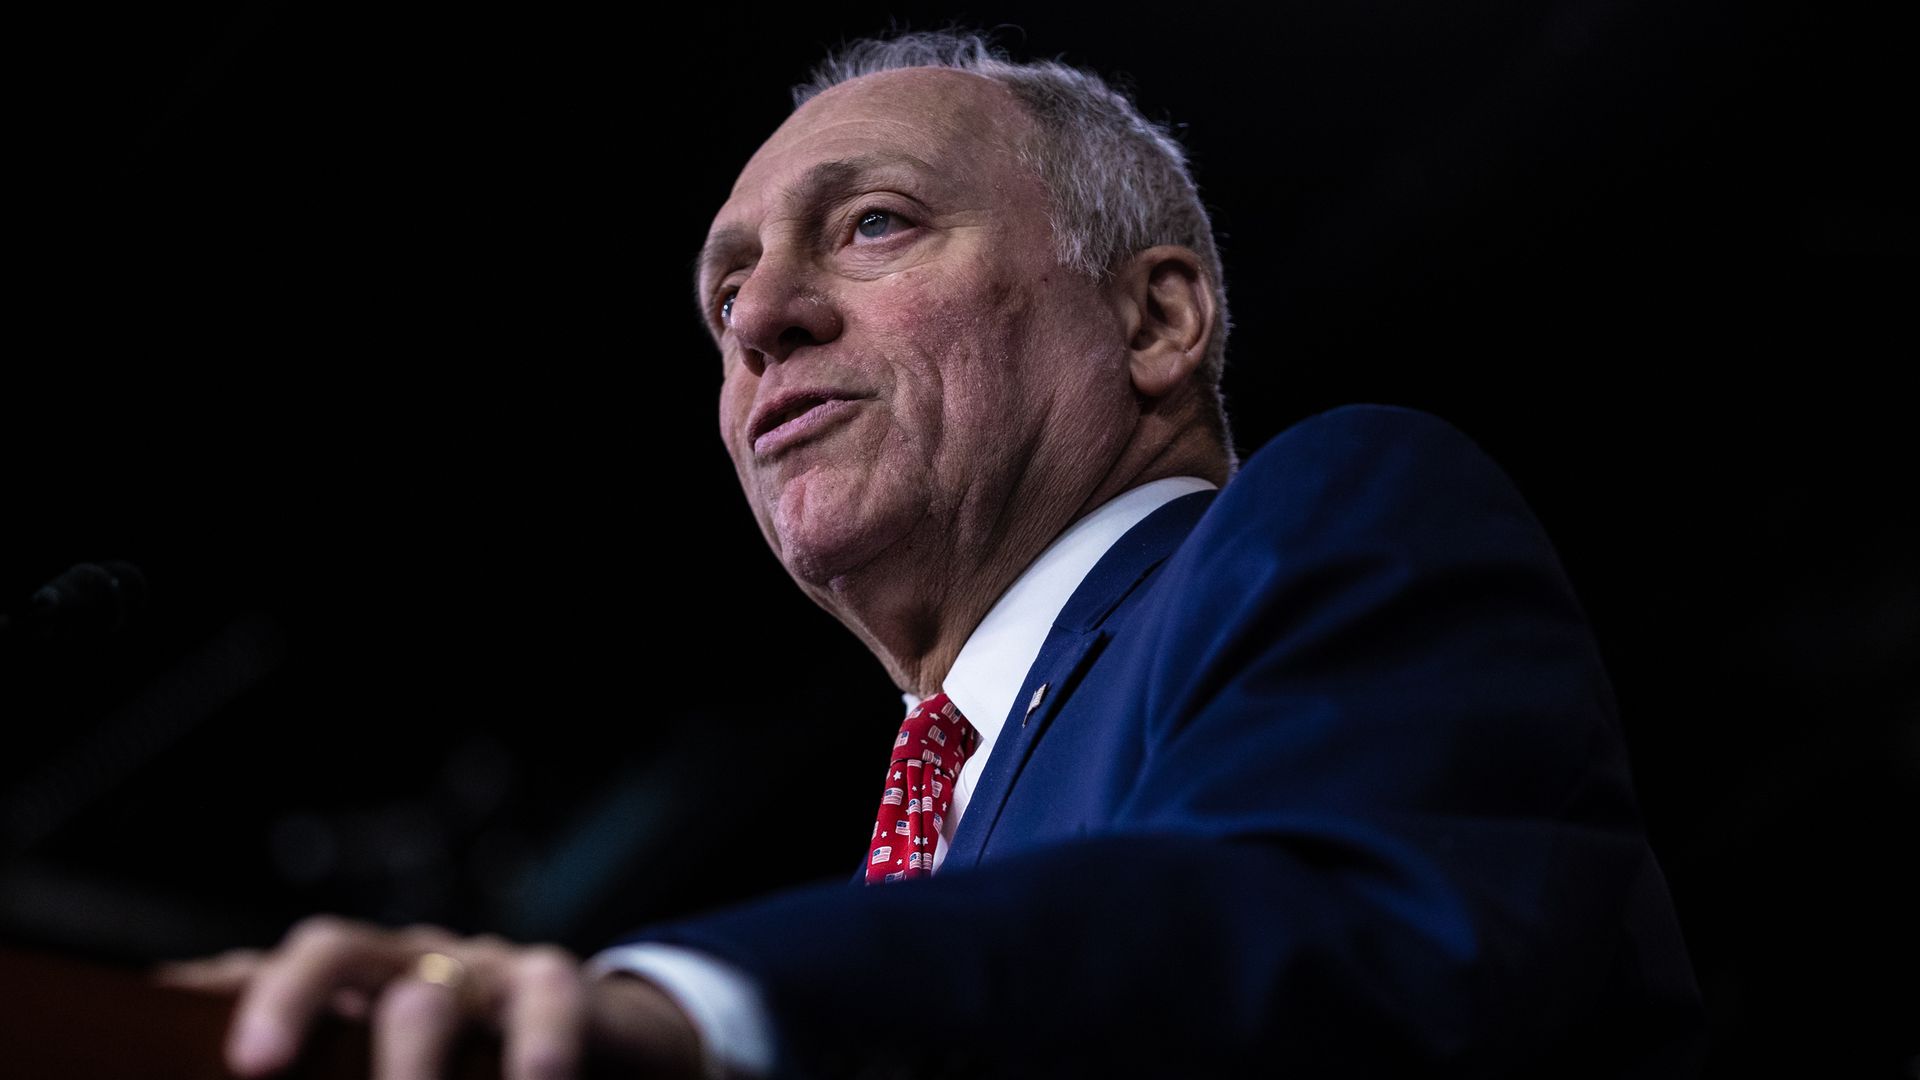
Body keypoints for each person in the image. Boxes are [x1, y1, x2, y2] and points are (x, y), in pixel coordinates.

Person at [162, 30, 1703, 1079]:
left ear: (1157, 320)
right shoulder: (916, 853)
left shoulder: (1330, 516)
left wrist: (707, 1005)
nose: (761, 319)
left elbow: (1359, 943)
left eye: (876, 225)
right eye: (726, 295)